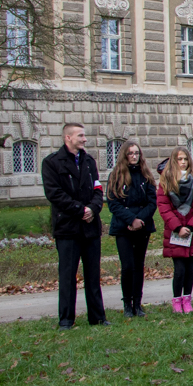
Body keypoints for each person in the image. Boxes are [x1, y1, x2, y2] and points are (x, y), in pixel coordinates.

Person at [42, 123, 107, 330]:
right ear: (68, 138)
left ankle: (97, 317)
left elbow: (98, 188)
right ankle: (66, 320)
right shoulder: (52, 163)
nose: (84, 139)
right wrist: (80, 210)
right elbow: (54, 194)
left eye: (84, 135)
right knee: (67, 275)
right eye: (80, 135)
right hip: (68, 228)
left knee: (93, 275)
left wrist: (93, 209)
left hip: (90, 227)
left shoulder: (89, 161)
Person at [105, 140, 157, 318]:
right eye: (131, 153)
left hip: (142, 225)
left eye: (136, 153)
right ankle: (127, 304)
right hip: (123, 226)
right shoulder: (116, 176)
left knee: (138, 266)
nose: (134, 156)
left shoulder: (146, 175)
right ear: (124, 156)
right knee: (127, 266)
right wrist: (131, 219)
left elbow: (152, 202)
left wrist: (140, 219)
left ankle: (137, 303)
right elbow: (113, 203)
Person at [156, 146, 193, 313]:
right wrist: (178, 227)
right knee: (179, 270)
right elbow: (164, 207)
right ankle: (176, 301)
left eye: (185, 159)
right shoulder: (166, 180)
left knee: (189, 270)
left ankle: (187, 300)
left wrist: (191, 226)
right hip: (175, 232)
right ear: (174, 161)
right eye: (180, 159)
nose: (183, 162)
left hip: (192, 231)